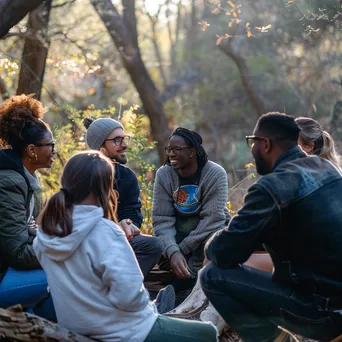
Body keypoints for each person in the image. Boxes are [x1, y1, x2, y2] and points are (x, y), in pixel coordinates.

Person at [34, 151, 218, 342]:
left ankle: (161, 309)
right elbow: (129, 299)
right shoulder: (106, 232)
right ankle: (159, 308)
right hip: (126, 332)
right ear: (105, 187)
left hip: (76, 327)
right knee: (208, 333)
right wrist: (146, 307)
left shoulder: (46, 233)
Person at [201, 112, 342, 342]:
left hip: (324, 312)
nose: (252, 149)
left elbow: (223, 253)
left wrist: (212, 242)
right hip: (333, 301)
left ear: (264, 144)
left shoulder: (271, 187)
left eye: (252, 142)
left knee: (212, 276)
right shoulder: (326, 167)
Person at [152, 127, 230, 313]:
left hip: (206, 236)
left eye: (177, 149)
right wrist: (172, 251)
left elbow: (213, 219)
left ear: (192, 151)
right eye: (169, 149)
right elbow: (162, 220)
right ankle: (174, 293)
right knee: (156, 245)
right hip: (178, 238)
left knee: (216, 239)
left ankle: (185, 289)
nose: (171, 153)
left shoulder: (215, 174)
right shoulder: (164, 174)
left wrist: (183, 250)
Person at [83, 117, 162, 277]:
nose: (125, 144)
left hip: (120, 240)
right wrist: (115, 228)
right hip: (88, 243)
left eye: (124, 139)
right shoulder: (82, 175)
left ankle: (124, 290)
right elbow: (81, 221)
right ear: (101, 147)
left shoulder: (127, 176)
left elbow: (132, 211)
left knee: (153, 245)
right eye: (117, 140)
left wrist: (128, 224)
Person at [0, 94, 56, 320]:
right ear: (32, 150)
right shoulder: (9, 183)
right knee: (68, 273)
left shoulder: (26, 179)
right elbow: (19, 254)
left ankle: (38, 327)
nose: (54, 150)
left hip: (10, 270)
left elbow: (31, 234)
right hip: (4, 274)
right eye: (50, 145)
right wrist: (62, 249)